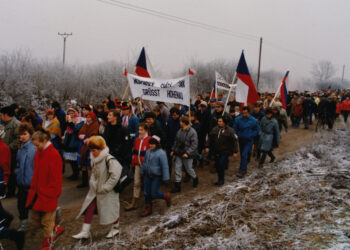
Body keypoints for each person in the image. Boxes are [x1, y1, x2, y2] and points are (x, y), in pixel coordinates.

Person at [72, 136, 122, 239]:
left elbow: (115, 175)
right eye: (91, 150)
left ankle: (115, 228)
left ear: (101, 149)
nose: (92, 152)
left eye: (94, 150)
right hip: (96, 190)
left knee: (111, 209)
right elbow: (94, 173)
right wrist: (93, 183)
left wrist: (106, 187)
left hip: (107, 191)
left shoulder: (109, 159)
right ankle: (85, 231)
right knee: (89, 207)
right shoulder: (95, 159)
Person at [26, 130, 64, 250]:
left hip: (48, 194)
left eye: (37, 145)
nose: (36, 147)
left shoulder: (53, 155)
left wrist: (51, 193)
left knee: (47, 222)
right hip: (38, 192)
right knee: (36, 218)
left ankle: (48, 243)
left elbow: (56, 178)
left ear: (45, 141)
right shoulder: (39, 152)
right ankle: (56, 228)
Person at [140, 136, 171, 217]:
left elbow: (165, 166)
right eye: (150, 144)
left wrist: (166, 178)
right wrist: (142, 171)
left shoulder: (161, 153)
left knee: (154, 193)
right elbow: (145, 163)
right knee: (146, 192)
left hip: (156, 176)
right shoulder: (148, 152)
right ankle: (148, 209)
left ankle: (166, 196)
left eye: (153, 144)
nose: (151, 145)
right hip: (148, 174)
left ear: (157, 144)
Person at [205, 117, 238, 186]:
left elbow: (234, 141)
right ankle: (219, 178)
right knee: (217, 165)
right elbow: (210, 138)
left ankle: (221, 180)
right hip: (216, 151)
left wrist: (235, 151)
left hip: (225, 151)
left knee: (221, 164)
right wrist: (207, 146)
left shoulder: (230, 131)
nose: (219, 122)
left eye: (220, 121)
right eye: (218, 121)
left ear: (224, 122)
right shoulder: (215, 129)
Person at [125, 123, 151, 211]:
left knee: (148, 183)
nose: (139, 132)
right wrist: (133, 161)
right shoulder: (137, 140)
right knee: (136, 183)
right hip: (137, 164)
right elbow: (134, 151)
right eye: (139, 130)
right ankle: (134, 201)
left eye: (141, 130)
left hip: (147, 166)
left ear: (146, 131)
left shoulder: (150, 140)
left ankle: (149, 202)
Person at [16, 124, 36, 232]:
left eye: (25, 134)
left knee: (37, 204)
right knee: (21, 204)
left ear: (30, 134)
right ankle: (24, 224)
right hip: (22, 182)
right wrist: (17, 174)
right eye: (21, 134)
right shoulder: (21, 149)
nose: (22, 137)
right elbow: (18, 164)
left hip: (32, 183)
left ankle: (54, 212)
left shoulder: (34, 149)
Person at [170, 116, 198, 193]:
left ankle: (195, 178)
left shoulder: (192, 132)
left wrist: (187, 153)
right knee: (177, 169)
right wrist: (173, 150)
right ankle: (177, 186)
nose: (180, 123)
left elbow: (194, 145)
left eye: (181, 122)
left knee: (188, 168)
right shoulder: (180, 131)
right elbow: (176, 141)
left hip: (188, 155)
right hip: (179, 153)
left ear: (184, 123)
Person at [233, 107, 260, 178]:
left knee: (244, 154)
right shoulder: (238, 119)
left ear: (248, 112)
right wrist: (237, 134)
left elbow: (257, 130)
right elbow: (234, 128)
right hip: (241, 139)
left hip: (249, 140)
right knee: (242, 154)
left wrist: (251, 134)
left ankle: (242, 170)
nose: (244, 114)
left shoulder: (253, 120)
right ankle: (244, 166)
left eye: (246, 113)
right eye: (243, 113)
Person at [0, 105, 20, 197]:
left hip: (12, 153)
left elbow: (18, 139)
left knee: (11, 172)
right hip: (5, 152)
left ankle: (10, 192)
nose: (0, 116)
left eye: (1, 114)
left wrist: (8, 147)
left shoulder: (16, 124)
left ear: (5, 114)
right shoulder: (5, 124)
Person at [77, 112, 99, 188]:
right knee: (83, 164)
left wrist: (87, 139)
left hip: (91, 146)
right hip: (83, 145)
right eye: (87, 117)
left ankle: (94, 182)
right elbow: (80, 132)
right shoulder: (85, 124)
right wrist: (83, 137)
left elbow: (94, 134)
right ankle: (84, 181)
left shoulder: (95, 125)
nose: (88, 119)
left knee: (91, 164)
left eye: (89, 117)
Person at [62, 108, 84, 180]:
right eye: (70, 113)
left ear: (76, 113)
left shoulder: (80, 120)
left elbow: (76, 130)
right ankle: (74, 172)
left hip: (75, 140)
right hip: (69, 139)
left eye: (72, 113)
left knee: (74, 158)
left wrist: (71, 123)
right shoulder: (69, 119)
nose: (71, 114)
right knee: (70, 158)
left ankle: (76, 173)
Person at [165, 108, 181, 175]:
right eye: (172, 115)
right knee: (168, 161)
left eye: (175, 115)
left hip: (179, 144)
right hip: (170, 143)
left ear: (178, 115)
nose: (174, 116)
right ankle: (168, 174)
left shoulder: (181, 122)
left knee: (179, 161)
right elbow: (166, 132)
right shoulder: (169, 121)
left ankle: (180, 175)